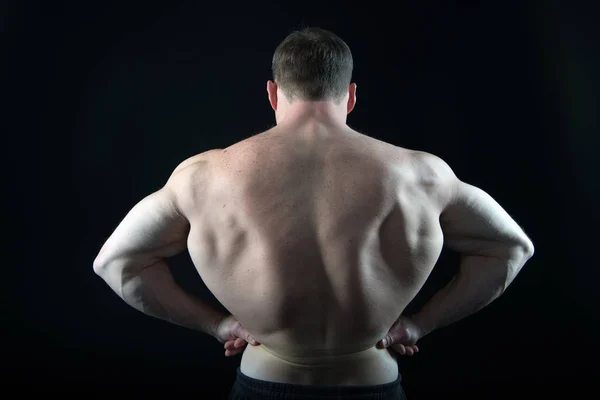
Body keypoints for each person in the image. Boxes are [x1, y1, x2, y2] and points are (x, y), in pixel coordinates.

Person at [93, 27, 535, 399]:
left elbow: (116, 264)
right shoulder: (423, 175)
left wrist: (217, 325)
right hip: (372, 382)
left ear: (272, 92)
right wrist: (420, 325)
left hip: (265, 382)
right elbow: (511, 249)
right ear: (352, 95)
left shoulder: (204, 176)